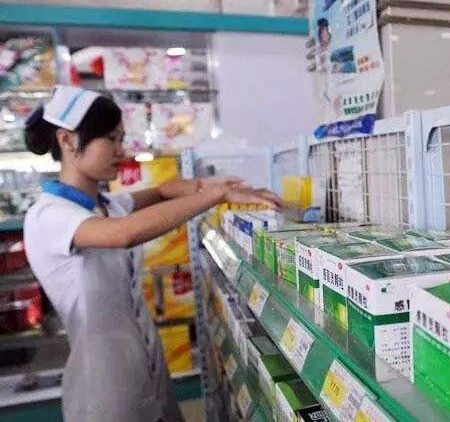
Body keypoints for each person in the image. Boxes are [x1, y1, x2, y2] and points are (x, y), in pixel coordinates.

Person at [22, 85, 281, 422]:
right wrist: (214, 196)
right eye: (111, 139)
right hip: (102, 390)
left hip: (146, 369)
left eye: (121, 138)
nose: (121, 150)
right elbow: (123, 233)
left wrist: (200, 186)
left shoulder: (106, 204)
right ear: (68, 140)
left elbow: (161, 191)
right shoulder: (48, 215)